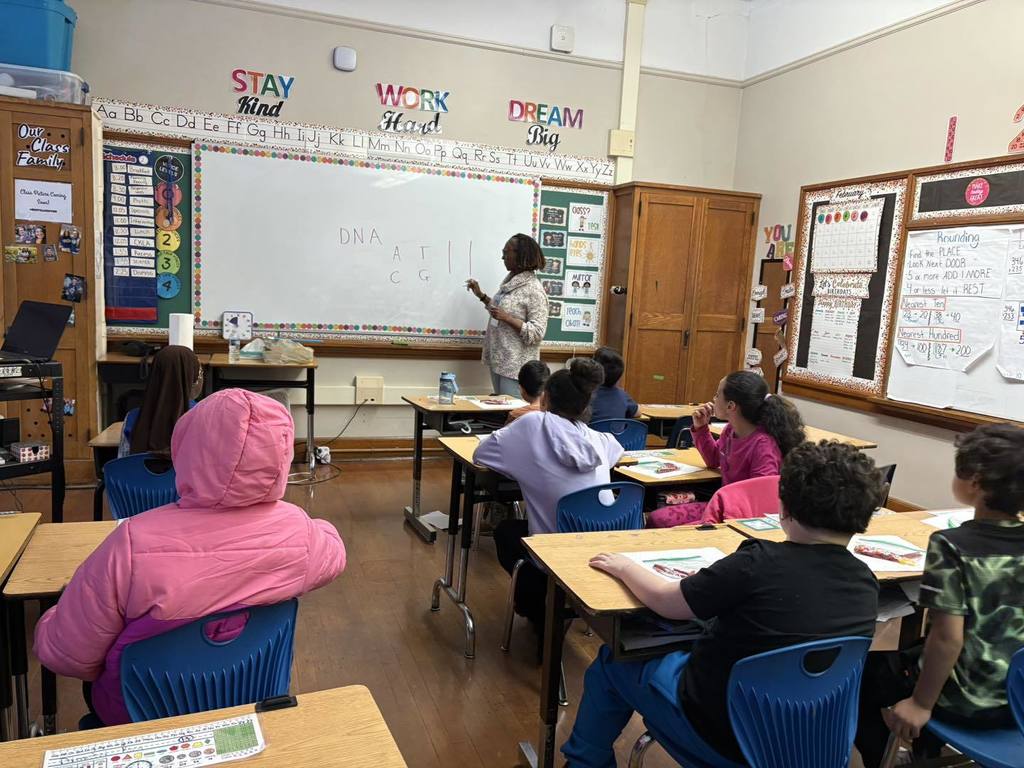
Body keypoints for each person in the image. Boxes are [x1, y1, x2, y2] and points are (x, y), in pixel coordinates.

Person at [34, 389, 347, 727]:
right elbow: (334, 553)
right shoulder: (299, 534)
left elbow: (69, 657)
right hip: (249, 705)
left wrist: (54, 615)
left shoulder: (131, 542)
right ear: (282, 455)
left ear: (188, 447)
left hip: (140, 718)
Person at [563, 441, 882, 767]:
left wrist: (624, 567)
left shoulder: (757, 562)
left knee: (613, 661)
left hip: (723, 736)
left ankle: (584, 762)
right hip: (805, 743)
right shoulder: (866, 583)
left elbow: (666, 603)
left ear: (784, 506)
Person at [854, 423, 1024, 768]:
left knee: (869, 670)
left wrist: (920, 704)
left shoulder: (950, 546)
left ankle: (898, 753)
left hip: (972, 703)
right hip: (1018, 697)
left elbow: (947, 639)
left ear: (974, 482)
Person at [474, 359, 623, 634]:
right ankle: (554, 605)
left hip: (555, 550)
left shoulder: (532, 425)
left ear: (546, 398)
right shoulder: (598, 440)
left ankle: (537, 609)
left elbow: (481, 454)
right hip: (601, 543)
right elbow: (618, 452)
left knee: (507, 532)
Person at [649, 370, 805, 527]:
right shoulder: (731, 430)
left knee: (675, 532)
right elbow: (713, 459)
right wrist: (701, 427)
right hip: (724, 506)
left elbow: (760, 501)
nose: (714, 399)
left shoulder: (763, 445)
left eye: (717, 395)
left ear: (731, 406)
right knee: (657, 519)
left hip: (740, 518)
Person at [465, 233, 549, 396]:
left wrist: (508, 318)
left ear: (520, 256)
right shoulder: (510, 283)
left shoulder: (534, 290)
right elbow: (501, 312)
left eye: (506, 252)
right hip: (499, 358)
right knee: (500, 412)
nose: (502, 256)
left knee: (511, 413)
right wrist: (482, 296)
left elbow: (537, 333)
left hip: (515, 365)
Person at [118, 345, 203, 458]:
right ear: (190, 378)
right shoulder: (203, 416)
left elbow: (123, 462)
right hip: (184, 476)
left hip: (139, 475)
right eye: (199, 373)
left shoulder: (132, 418)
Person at [589, 347, 639, 423]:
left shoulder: (586, 394)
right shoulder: (623, 395)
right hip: (616, 435)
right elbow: (637, 413)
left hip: (590, 434)